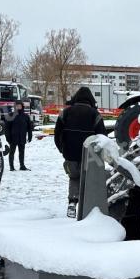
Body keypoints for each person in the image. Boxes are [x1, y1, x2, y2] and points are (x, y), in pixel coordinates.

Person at [54, 86, 106, 218]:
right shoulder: (95, 114)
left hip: (70, 153)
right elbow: (102, 136)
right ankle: (89, 207)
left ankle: (72, 203)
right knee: (89, 179)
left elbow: (57, 134)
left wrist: (62, 149)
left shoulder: (65, 112)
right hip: (90, 154)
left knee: (74, 178)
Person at [5, 101, 33, 171]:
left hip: (22, 137)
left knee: (22, 152)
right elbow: (7, 128)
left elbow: (29, 127)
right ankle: (11, 166)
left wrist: (30, 135)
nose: (18, 107)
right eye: (17, 106)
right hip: (13, 138)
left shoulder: (25, 116)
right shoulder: (11, 115)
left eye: (20, 106)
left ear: (22, 106)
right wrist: (8, 137)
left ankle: (22, 166)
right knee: (12, 152)